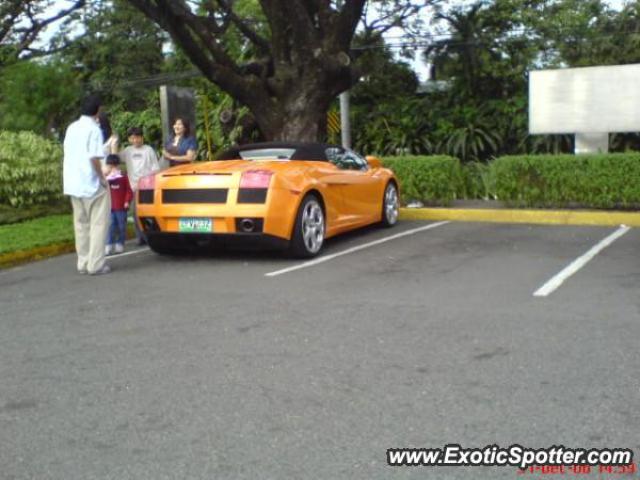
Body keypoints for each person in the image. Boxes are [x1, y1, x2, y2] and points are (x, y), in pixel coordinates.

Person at [63, 94, 112, 275]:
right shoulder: (94, 130)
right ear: (98, 110)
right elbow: (94, 158)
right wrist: (101, 178)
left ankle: (83, 263)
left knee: (81, 224)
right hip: (91, 183)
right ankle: (96, 264)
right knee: (98, 224)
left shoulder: (71, 127)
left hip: (73, 183)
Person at [120, 126, 160, 245]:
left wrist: (146, 180)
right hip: (133, 187)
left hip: (146, 187)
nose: (135, 140)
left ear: (142, 138)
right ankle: (141, 237)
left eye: (137, 137)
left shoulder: (148, 150)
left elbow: (156, 168)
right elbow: (114, 158)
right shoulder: (127, 151)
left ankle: (150, 236)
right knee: (135, 212)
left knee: (147, 213)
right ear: (129, 139)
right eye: (132, 138)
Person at [104, 154, 132, 255]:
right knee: (110, 226)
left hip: (121, 207)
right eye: (110, 167)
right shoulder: (106, 178)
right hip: (110, 207)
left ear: (118, 166)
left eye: (114, 166)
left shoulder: (123, 177)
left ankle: (120, 243)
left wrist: (126, 201)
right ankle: (108, 244)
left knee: (121, 226)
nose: (112, 169)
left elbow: (129, 191)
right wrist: (107, 177)